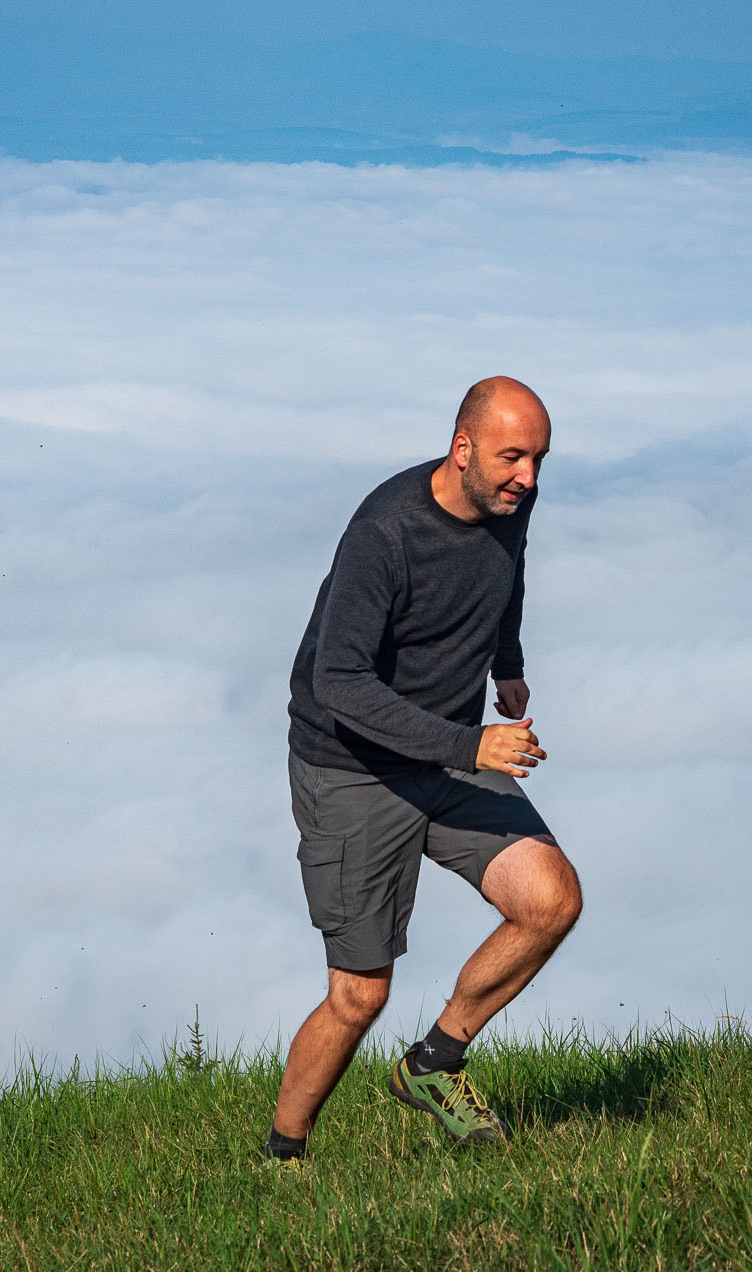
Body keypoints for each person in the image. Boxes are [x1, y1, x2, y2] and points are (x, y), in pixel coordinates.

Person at [265, 377, 583, 1160]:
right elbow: (338, 683)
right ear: (463, 447)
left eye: (539, 459)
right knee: (359, 993)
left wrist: (506, 660)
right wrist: (469, 747)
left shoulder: (511, 500)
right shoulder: (386, 532)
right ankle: (281, 1158)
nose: (529, 478)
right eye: (513, 457)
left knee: (550, 901)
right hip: (353, 767)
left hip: (443, 749)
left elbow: (506, 574)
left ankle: (435, 1062)